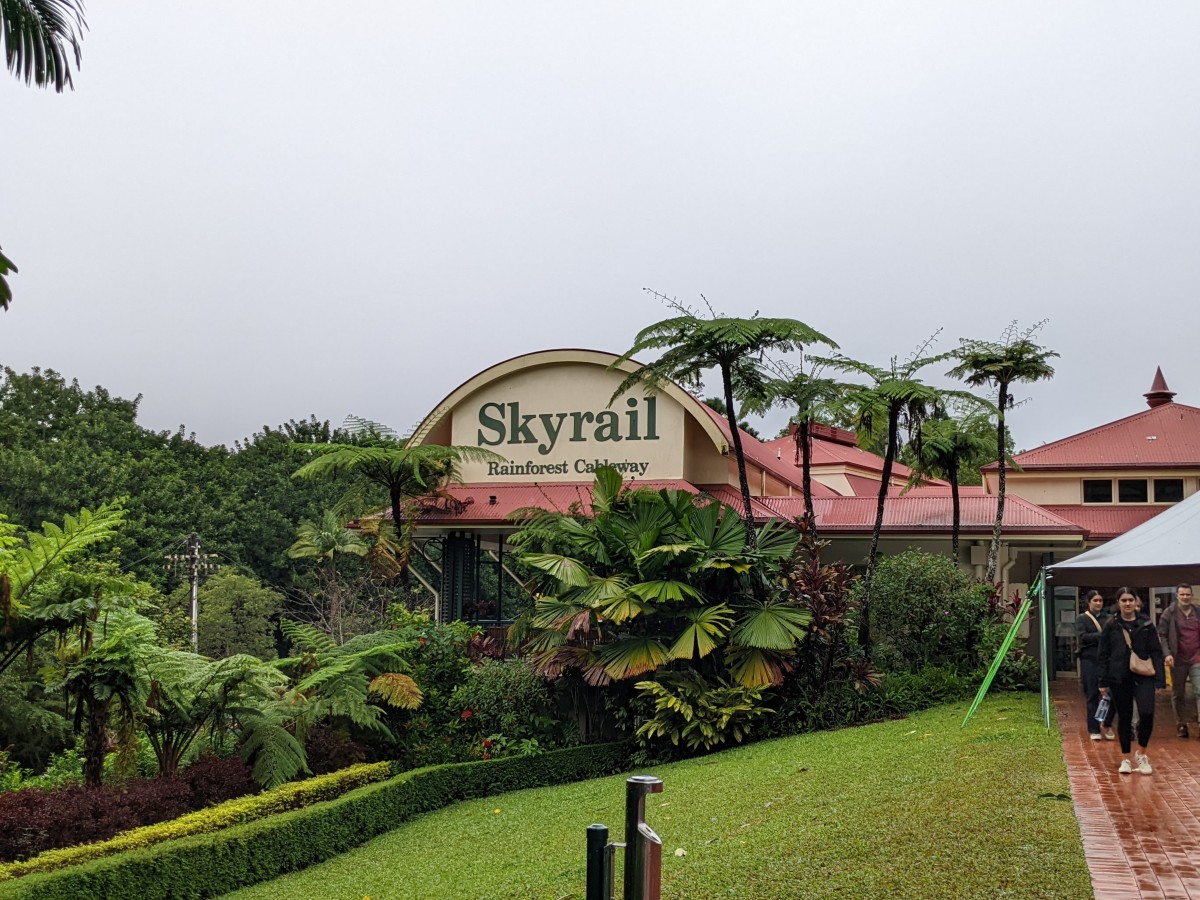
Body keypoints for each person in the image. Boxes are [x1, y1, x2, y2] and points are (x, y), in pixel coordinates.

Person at [1098, 588, 1165, 774]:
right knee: (1125, 718)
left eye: (1130, 600)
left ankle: (1142, 753)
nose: (1127, 603)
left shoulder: (1146, 623)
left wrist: (1160, 679)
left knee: (1146, 713)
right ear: (1118, 602)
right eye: (1123, 600)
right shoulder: (1111, 625)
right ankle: (1125, 758)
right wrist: (1102, 681)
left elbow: (1156, 652)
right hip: (1119, 677)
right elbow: (1103, 654)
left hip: (1144, 675)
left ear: (1136, 602)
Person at [1158, 583, 1200, 738]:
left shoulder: (1198, 611)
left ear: (1191, 595)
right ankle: (1181, 723)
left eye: (1188, 594)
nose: (1185, 597)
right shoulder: (1169, 613)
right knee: (1178, 692)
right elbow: (1162, 635)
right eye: (1182, 594)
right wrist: (1167, 654)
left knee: (1199, 690)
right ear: (1177, 595)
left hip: (1197, 657)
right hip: (1177, 658)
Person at [1076, 590, 1115, 741]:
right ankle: (1093, 728)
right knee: (1092, 694)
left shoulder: (1109, 619)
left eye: (1100, 600)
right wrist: (1102, 636)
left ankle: (1107, 723)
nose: (1098, 603)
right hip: (1089, 660)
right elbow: (1083, 637)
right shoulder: (1082, 619)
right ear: (1089, 602)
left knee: (1111, 694)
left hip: (1106, 660)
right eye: (1095, 600)